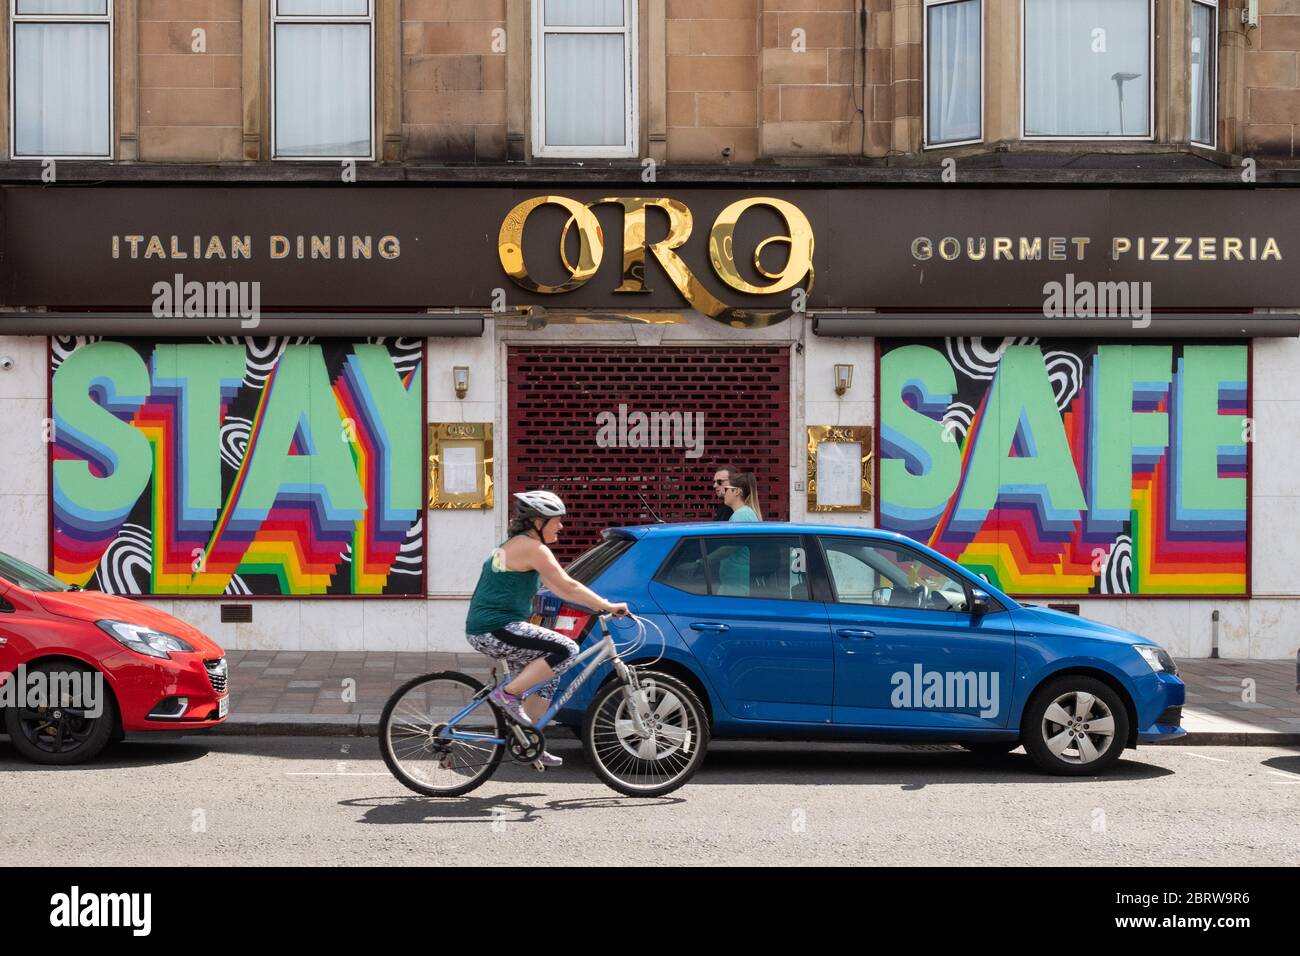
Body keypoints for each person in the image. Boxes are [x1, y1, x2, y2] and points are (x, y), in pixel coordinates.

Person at [464, 490, 629, 769]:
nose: (561, 527)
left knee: (550, 676)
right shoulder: (533, 548)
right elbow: (567, 586)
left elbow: (556, 588)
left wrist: (590, 605)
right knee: (566, 649)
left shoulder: (520, 544)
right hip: (495, 627)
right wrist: (608, 605)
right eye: (556, 521)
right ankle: (508, 695)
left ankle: (528, 739)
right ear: (538, 521)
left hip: (497, 626)